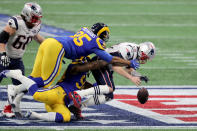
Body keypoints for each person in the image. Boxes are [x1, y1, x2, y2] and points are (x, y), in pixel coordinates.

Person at [5, 22, 140, 114]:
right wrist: (129, 63)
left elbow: (80, 47)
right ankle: (15, 80)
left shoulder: (84, 31)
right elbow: (110, 59)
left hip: (49, 43)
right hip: (57, 48)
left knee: (35, 78)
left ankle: (15, 99)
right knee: (45, 81)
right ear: (102, 35)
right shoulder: (97, 42)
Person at [1, 57, 113, 122]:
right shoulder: (75, 68)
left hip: (59, 103)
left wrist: (102, 87)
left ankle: (35, 115)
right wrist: (107, 61)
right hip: (57, 93)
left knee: (66, 117)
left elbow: (88, 86)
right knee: (36, 94)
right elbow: (86, 67)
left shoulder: (82, 77)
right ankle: (17, 75)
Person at [69, 42, 156, 119]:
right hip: (101, 63)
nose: (145, 60)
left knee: (108, 95)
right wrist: (131, 78)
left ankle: (77, 107)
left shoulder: (134, 51)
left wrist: (139, 76)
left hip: (105, 65)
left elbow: (128, 68)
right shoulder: (129, 50)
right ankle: (78, 95)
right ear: (143, 52)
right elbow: (115, 66)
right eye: (146, 57)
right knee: (109, 88)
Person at [0, 2, 44, 117]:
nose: (35, 21)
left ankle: (7, 108)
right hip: (4, 57)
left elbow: (37, 38)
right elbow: (2, 38)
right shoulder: (17, 22)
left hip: (17, 60)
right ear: (27, 14)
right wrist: (2, 54)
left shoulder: (35, 26)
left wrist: (52, 48)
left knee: (21, 87)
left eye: (37, 18)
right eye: (34, 17)